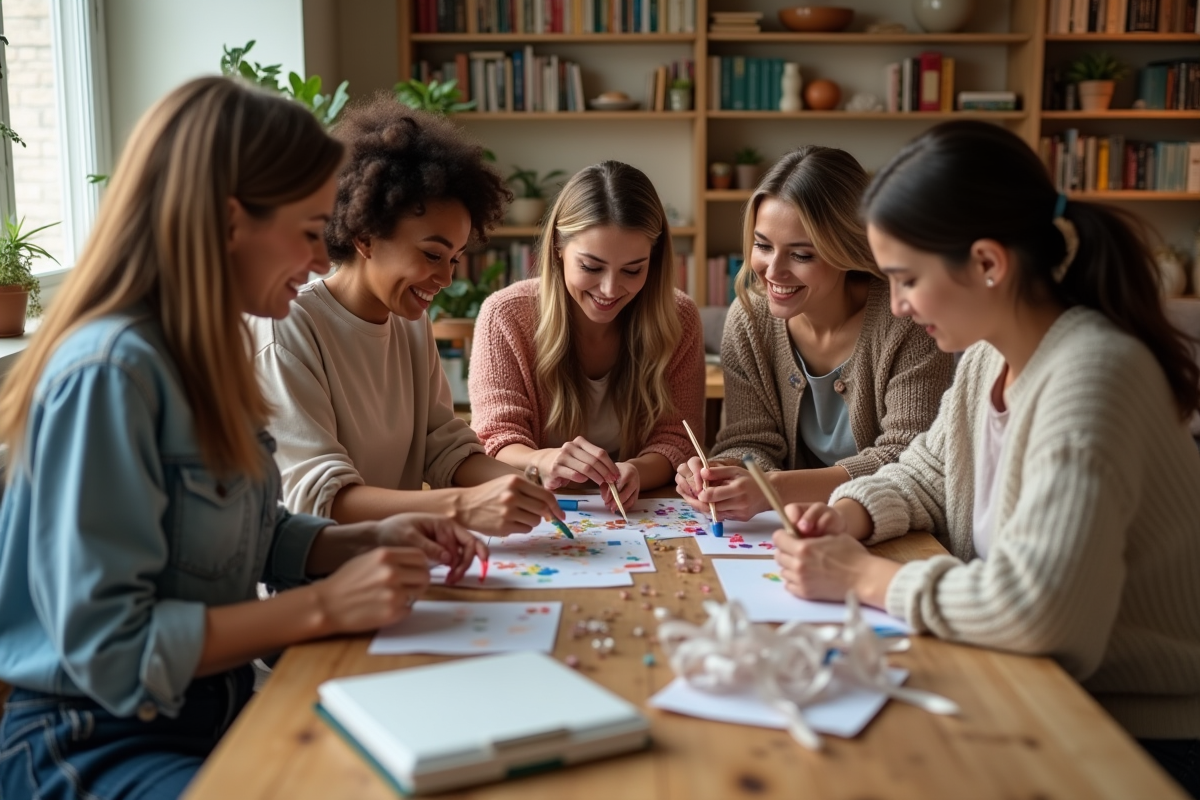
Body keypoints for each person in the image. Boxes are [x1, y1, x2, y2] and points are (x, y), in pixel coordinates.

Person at [0, 77, 483, 800]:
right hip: (93, 742)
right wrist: (325, 605)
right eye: (310, 231)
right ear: (231, 221)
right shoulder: (110, 374)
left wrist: (357, 542)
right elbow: (111, 649)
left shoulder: (205, 350)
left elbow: (243, 536)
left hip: (212, 711)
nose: (324, 259)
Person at [771, 121, 1200, 796]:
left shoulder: (1093, 374)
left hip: (1139, 733)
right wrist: (851, 512)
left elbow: (1040, 608)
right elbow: (928, 471)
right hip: (1042, 690)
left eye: (907, 278)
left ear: (988, 263)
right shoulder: (988, 358)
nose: (899, 306)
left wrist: (864, 580)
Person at [249, 96, 561, 534]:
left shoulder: (411, 322)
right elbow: (319, 499)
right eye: (432, 254)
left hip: (397, 565)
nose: (446, 278)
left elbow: (444, 447)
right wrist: (461, 507)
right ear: (365, 236)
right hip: (317, 582)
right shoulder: (289, 325)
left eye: (454, 259)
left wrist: (525, 483)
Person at [676, 146, 953, 521]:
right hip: (786, 531)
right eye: (762, 246)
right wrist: (727, 471)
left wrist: (772, 488)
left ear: (847, 248)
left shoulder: (908, 320)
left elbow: (907, 458)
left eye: (802, 255)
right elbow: (751, 441)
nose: (773, 271)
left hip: (890, 531)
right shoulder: (749, 319)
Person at [469, 161, 705, 512]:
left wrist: (637, 471)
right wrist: (543, 461)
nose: (610, 289)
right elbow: (495, 438)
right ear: (557, 250)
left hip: (640, 514)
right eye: (591, 267)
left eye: (633, 270)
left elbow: (678, 440)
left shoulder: (679, 319)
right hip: (539, 513)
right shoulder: (505, 316)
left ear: (653, 262)